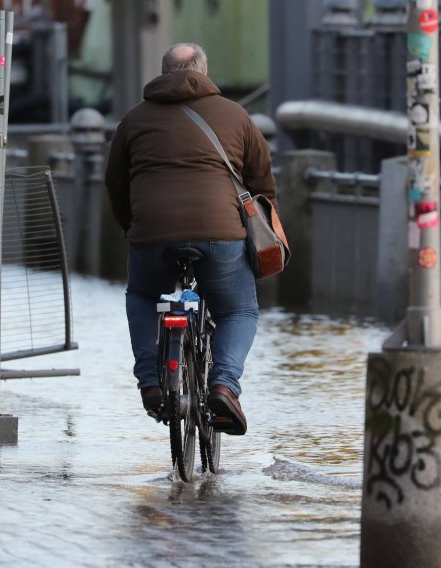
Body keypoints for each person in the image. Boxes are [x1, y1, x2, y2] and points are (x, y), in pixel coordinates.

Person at [104, 43, 278, 436]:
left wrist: (131, 226)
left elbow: (115, 183)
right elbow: (262, 182)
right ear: (204, 71)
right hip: (220, 235)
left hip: (152, 234)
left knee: (145, 296)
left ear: (163, 71)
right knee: (238, 311)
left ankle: (150, 382)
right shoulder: (236, 115)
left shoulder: (134, 120)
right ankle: (223, 386)